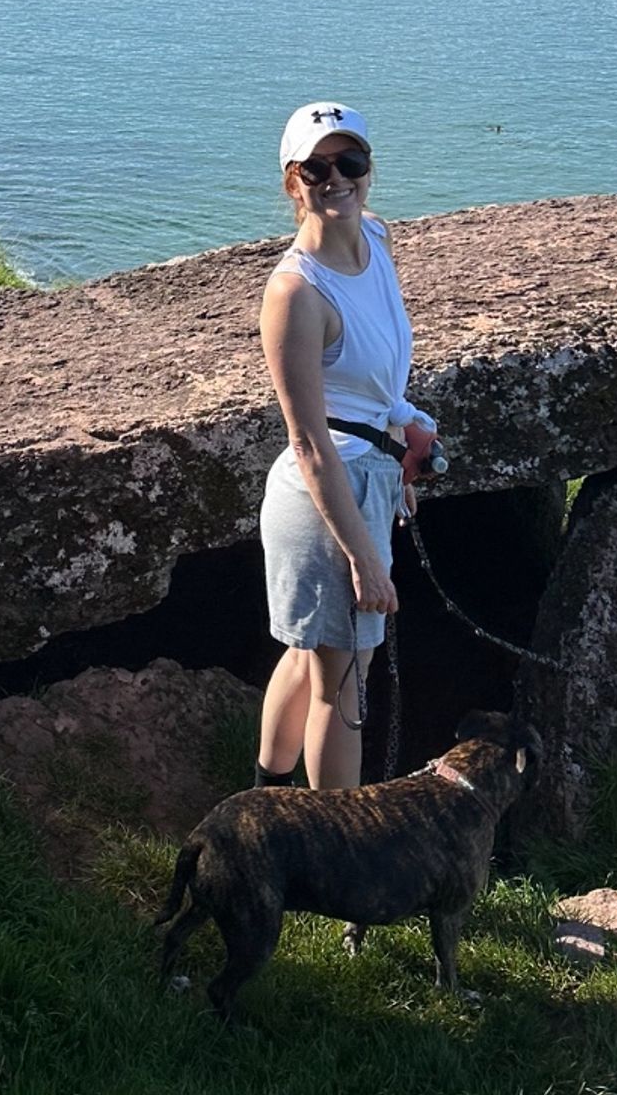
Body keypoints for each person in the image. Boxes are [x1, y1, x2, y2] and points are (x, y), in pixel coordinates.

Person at [254, 101, 437, 791]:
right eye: (316, 168)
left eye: (350, 162)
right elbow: (308, 442)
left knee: (313, 659)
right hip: (325, 498)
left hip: (368, 473)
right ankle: (337, 850)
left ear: (369, 170)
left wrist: (406, 431)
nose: (337, 179)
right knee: (344, 682)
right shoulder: (296, 293)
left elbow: (377, 375)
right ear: (292, 183)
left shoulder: (378, 241)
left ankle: (267, 805)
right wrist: (364, 558)